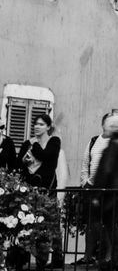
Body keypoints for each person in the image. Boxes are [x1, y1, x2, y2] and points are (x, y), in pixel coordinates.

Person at [17, 114, 64, 270]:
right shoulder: (27, 143)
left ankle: (51, 258)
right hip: (29, 189)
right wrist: (24, 161)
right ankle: (23, 258)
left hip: (47, 189)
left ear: (48, 127)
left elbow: (46, 156)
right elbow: (18, 165)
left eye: (41, 124)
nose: (37, 126)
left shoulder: (54, 142)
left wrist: (35, 145)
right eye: (36, 124)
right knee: (27, 222)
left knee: (48, 223)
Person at [93, 115, 118, 271]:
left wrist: (96, 193)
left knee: (109, 225)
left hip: (111, 193)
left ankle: (113, 258)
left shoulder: (114, 145)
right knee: (110, 225)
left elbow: (105, 170)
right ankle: (113, 258)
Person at [75, 113, 113, 266]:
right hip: (92, 189)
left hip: (110, 190)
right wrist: (85, 182)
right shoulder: (93, 141)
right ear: (103, 124)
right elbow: (85, 164)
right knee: (92, 223)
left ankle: (109, 257)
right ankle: (87, 256)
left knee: (109, 224)